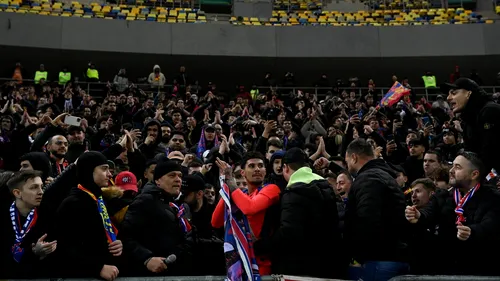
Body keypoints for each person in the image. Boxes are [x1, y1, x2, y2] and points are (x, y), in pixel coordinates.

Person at [254, 148, 345, 278]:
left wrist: (260, 246)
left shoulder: (293, 192)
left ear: (285, 168)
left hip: (300, 267)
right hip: (327, 263)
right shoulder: (326, 187)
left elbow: (288, 233)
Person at [405, 152, 500, 275]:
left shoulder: (493, 197)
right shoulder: (443, 195)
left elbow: (492, 224)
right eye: (453, 166)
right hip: (447, 269)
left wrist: (473, 231)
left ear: (474, 174)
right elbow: (428, 212)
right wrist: (419, 216)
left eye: (458, 167)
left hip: (481, 269)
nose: (451, 170)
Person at [344, 138, 409, 281]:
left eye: (347, 161)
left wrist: (358, 255)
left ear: (354, 157)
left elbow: (367, 220)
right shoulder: (385, 176)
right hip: (392, 256)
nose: (347, 166)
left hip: (378, 260)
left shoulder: (368, 178)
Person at [53, 151, 122, 280]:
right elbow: (65, 246)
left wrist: (116, 243)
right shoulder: (73, 203)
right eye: (104, 169)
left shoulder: (98, 199)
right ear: (89, 170)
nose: (110, 174)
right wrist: (97, 267)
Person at [211, 151, 280, 275]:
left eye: (260, 166)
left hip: (261, 263)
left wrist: (232, 184)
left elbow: (250, 208)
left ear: (265, 170)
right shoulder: (240, 194)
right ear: (242, 173)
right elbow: (216, 222)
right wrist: (227, 188)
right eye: (252, 166)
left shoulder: (271, 189)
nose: (257, 169)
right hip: (238, 260)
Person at [120, 160, 191, 276]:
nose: (178, 179)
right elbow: (125, 236)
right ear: (158, 180)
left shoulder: (176, 205)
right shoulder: (145, 201)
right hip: (149, 274)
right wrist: (147, 259)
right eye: (172, 175)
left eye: (180, 176)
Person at [0, 170, 56, 278]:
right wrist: (33, 252)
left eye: (41, 186)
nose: (41, 192)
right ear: (17, 193)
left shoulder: (48, 215)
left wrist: (42, 252)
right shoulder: (3, 216)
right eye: (34, 187)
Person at [444, 77, 500, 177]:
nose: (448, 98)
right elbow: (472, 153)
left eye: (454, 93)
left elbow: (489, 154)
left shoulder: (490, 111)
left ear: (468, 93)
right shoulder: (469, 119)